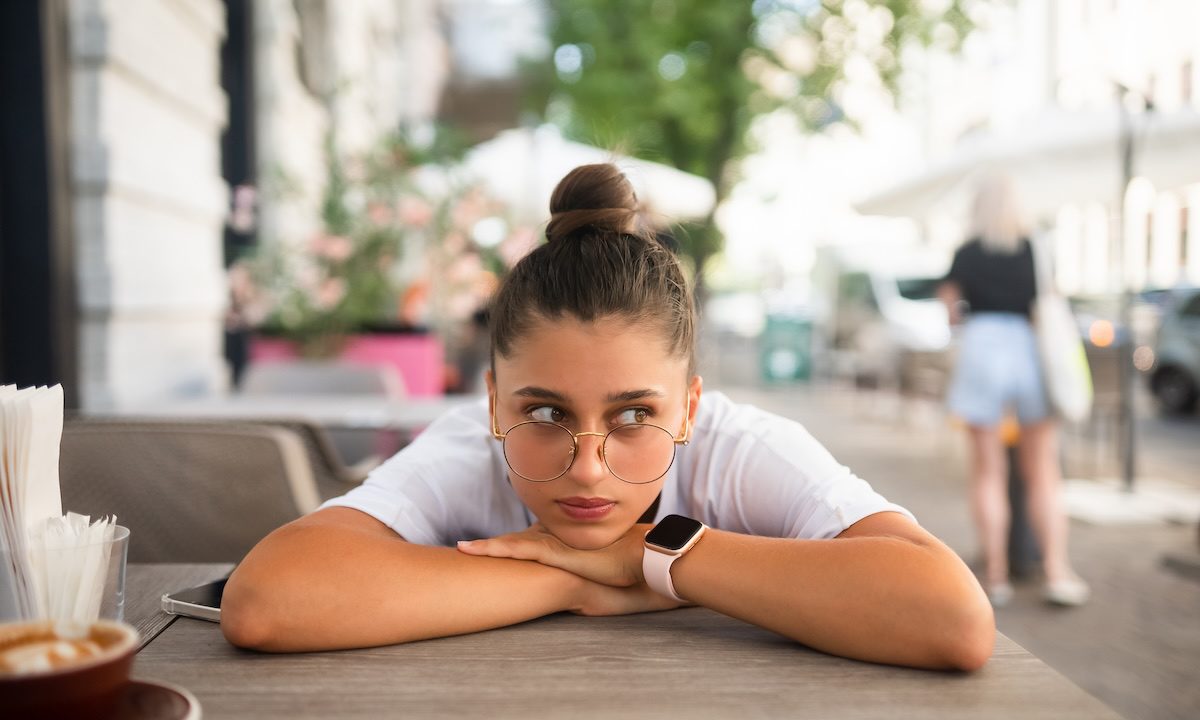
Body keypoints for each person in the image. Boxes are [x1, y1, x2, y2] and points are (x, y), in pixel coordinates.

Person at [222, 164, 993, 670]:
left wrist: (653, 557)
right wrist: (572, 581)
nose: (587, 466)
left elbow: (950, 617)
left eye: (633, 416)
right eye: (547, 412)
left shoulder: (743, 450)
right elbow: (268, 601)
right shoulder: (468, 445)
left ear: (689, 407)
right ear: (492, 404)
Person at [937, 174, 1090, 608]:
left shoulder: (965, 253)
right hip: (1028, 350)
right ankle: (1057, 573)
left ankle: (997, 577)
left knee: (987, 472)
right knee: (1042, 471)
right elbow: (1051, 301)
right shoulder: (1035, 248)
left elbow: (950, 311)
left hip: (981, 350)